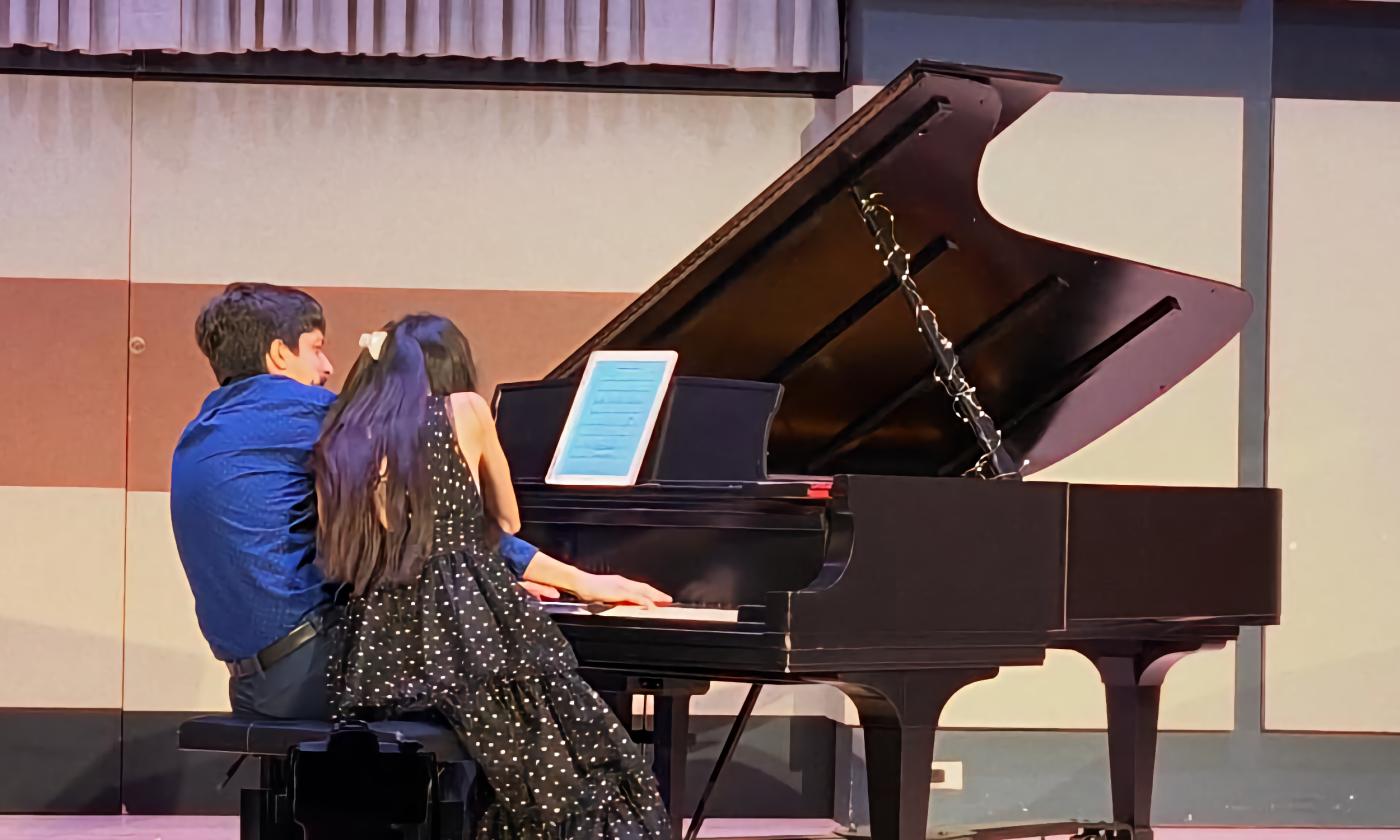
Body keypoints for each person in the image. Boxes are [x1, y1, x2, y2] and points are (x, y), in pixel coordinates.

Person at [169, 282, 670, 721]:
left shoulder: (199, 434)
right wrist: (578, 580)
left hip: (255, 684)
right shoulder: (318, 418)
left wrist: (477, 581)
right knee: (518, 695)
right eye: (316, 349)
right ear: (280, 354)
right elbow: (433, 520)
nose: (327, 367)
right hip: (314, 674)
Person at [313, 314, 671, 838]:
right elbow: (507, 521)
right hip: (464, 638)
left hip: (376, 654)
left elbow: (345, 555)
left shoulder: (339, 434)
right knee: (571, 747)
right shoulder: (466, 409)